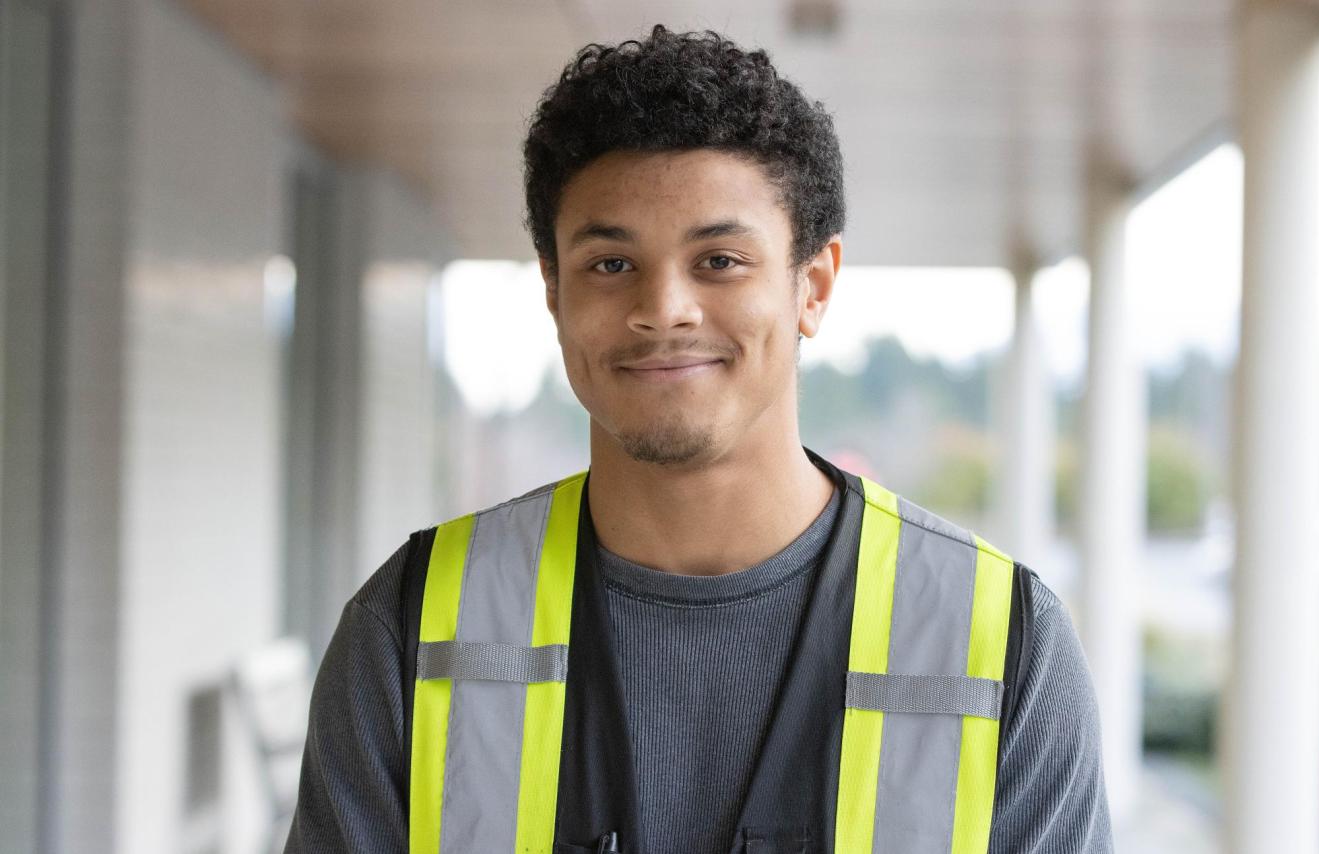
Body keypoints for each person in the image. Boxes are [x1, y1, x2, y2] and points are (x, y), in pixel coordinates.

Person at [285, 24, 1112, 854]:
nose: (664, 310)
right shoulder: (411, 629)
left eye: (719, 260)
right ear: (554, 291)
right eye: (611, 264)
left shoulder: (1001, 645)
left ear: (814, 287)